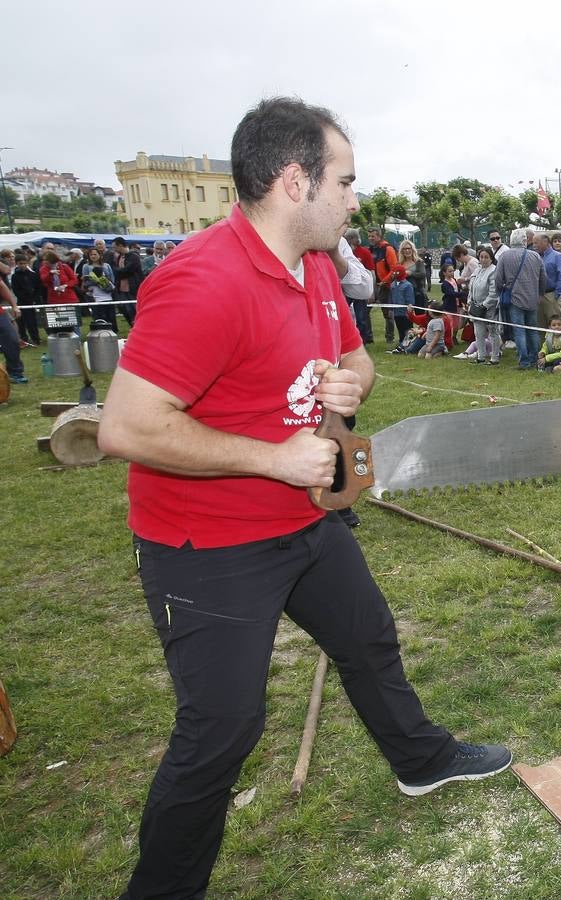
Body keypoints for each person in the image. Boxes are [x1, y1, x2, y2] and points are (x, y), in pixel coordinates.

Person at [97, 97, 511, 900]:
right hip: (206, 546)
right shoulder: (202, 280)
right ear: (295, 181)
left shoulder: (317, 265)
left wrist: (352, 384)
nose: (355, 199)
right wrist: (274, 458)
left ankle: (420, 762)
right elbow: (126, 426)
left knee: (368, 637)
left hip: (304, 520)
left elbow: (358, 366)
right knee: (222, 730)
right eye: (345, 181)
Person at [494, 228, 548, 369]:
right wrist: (540, 294)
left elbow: (498, 280)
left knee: (519, 330)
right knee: (532, 329)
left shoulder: (504, 256)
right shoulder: (535, 256)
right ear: (525, 241)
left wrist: (502, 291)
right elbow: (543, 278)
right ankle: (534, 358)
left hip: (514, 298)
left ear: (511, 241)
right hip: (532, 298)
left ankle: (524, 361)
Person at [341, 228, 376, 343]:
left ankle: (363, 339)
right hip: (346, 289)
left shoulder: (364, 252)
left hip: (360, 288)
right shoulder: (343, 250)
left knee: (361, 316)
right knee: (344, 314)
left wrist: (372, 292)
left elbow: (371, 272)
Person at [468, 246, 500, 365]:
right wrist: (470, 301)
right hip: (476, 307)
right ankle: (481, 356)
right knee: (478, 332)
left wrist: (484, 305)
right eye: (481, 257)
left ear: (491, 258)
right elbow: (471, 288)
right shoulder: (477, 271)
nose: (483, 259)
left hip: (489, 308)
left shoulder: (493, 271)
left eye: (486, 257)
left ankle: (494, 358)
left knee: (493, 332)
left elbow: (493, 293)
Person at [367, 227, 399, 342]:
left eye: (373, 236)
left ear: (379, 236)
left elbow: (394, 268)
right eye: (369, 236)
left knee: (388, 313)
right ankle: (368, 338)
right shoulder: (370, 250)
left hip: (385, 286)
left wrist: (385, 282)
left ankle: (389, 338)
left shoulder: (387, 249)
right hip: (372, 285)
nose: (370, 238)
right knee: (365, 311)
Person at [535, 232, 561, 328]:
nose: (534, 246)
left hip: (552, 296)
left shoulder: (557, 256)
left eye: (536, 243)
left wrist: (557, 295)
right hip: (539, 296)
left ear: (545, 242)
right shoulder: (537, 257)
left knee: (555, 326)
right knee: (540, 327)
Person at [80, 248, 118, 328]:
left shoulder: (106, 265)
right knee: (98, 315)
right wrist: (95, 282)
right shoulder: (86, 266)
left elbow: (112, 278)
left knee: (110, 315)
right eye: (91, 255)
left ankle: (113, 330)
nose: (93, 256)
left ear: (100, 255)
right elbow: (85, 281)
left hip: (108, 294)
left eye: (95, 254)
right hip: (93, 295)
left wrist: (106, 283)